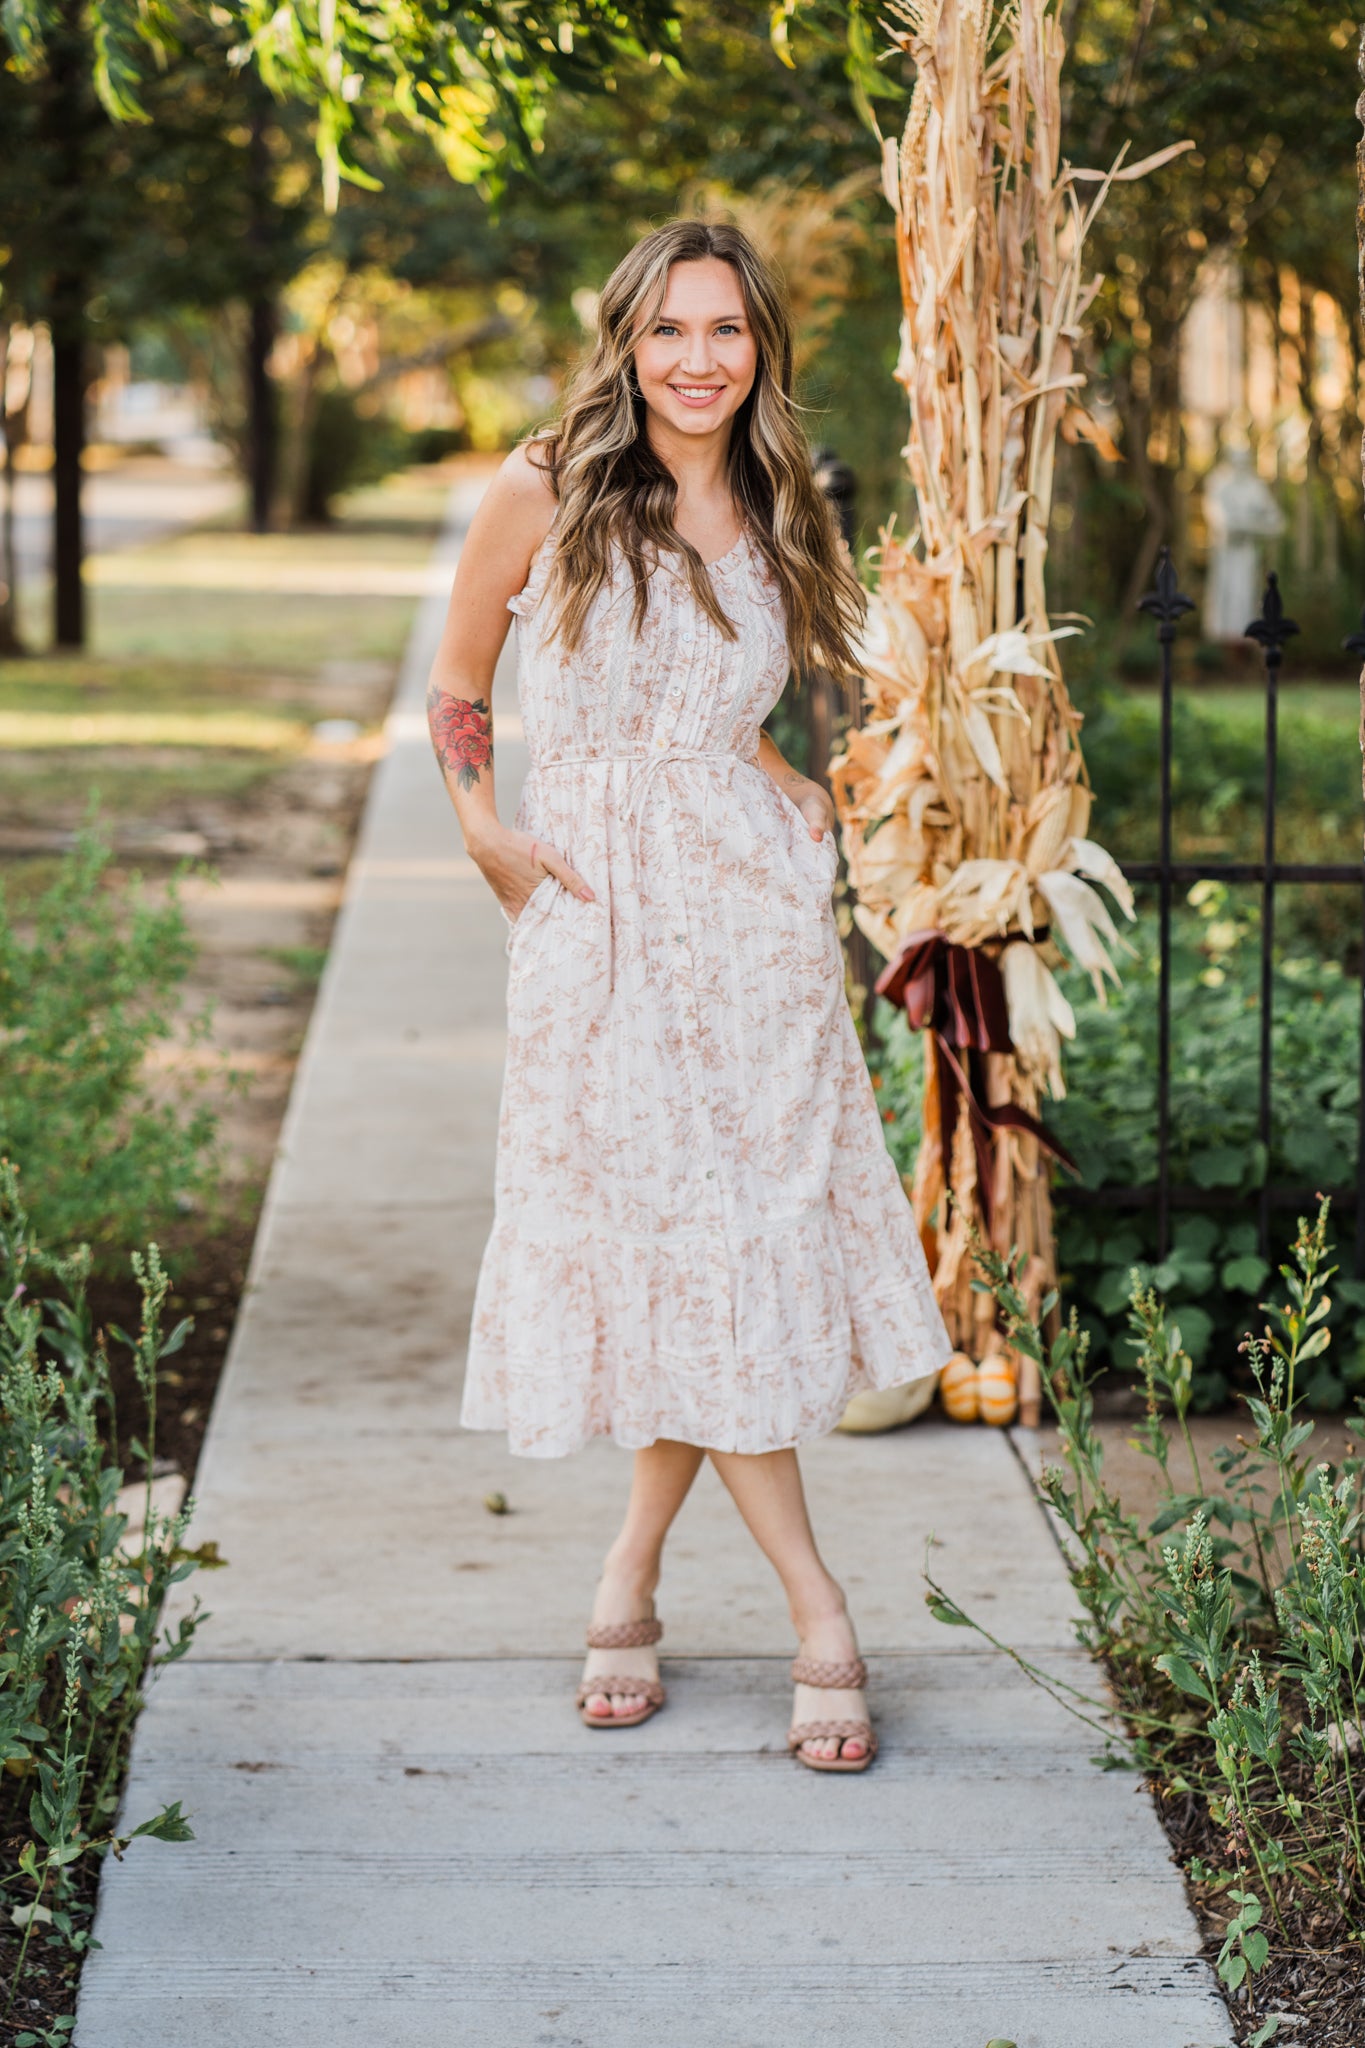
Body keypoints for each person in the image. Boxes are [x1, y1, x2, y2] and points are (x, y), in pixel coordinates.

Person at [426, 219, 951, 1773]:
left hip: (751, 930)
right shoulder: (544, 483)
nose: (698, 360)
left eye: (724, 331)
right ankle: (817, 1611)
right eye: (670, 332)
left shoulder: (780, 498)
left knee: (717, 1251)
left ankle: (629, 1577)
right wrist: (481, 834)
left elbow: (734, 706)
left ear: (759, 346)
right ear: (626, 341)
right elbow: (460, 688)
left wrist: (788, 785)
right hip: (596, 916)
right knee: (673, 1241)